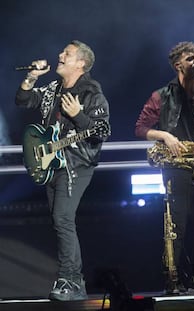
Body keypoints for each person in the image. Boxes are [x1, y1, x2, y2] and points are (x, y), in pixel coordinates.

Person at [15, 40, 110, 300]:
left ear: (80, 63)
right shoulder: (54, 88)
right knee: (60, 222)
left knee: (63, 219)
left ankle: (69, 279)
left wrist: (79, 115)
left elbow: (102, 132)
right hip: (52, 163)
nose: (59, 55)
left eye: (66, 54)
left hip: (77, 163)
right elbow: (23, 100)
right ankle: (75, 281)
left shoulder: (91, 92)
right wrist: (31, 77)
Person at [135, 41, 194, 293]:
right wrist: (165, 135)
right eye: (190, 58)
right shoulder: (161, 96)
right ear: (178, 65)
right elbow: (140, 128)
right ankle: (175, 280)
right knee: (178, 224)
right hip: (176, 165)